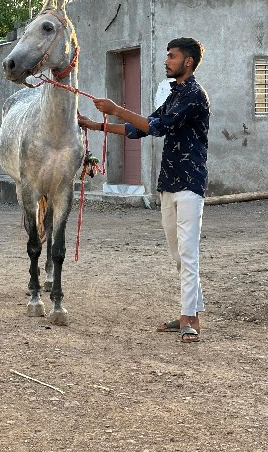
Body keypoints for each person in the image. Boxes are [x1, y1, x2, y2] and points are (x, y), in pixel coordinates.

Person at [78, 38, 209, 343]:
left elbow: (157, 127)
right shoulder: (176, 93)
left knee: (188, 254)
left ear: (187, 62)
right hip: (169, 183)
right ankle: (192, 314)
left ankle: (189, 319)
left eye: (172, 57)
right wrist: (97, 126)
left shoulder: (193, 94)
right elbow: (142, 127)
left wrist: (116, 109)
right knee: (179, 254)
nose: (167, 61)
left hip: (190, 183)